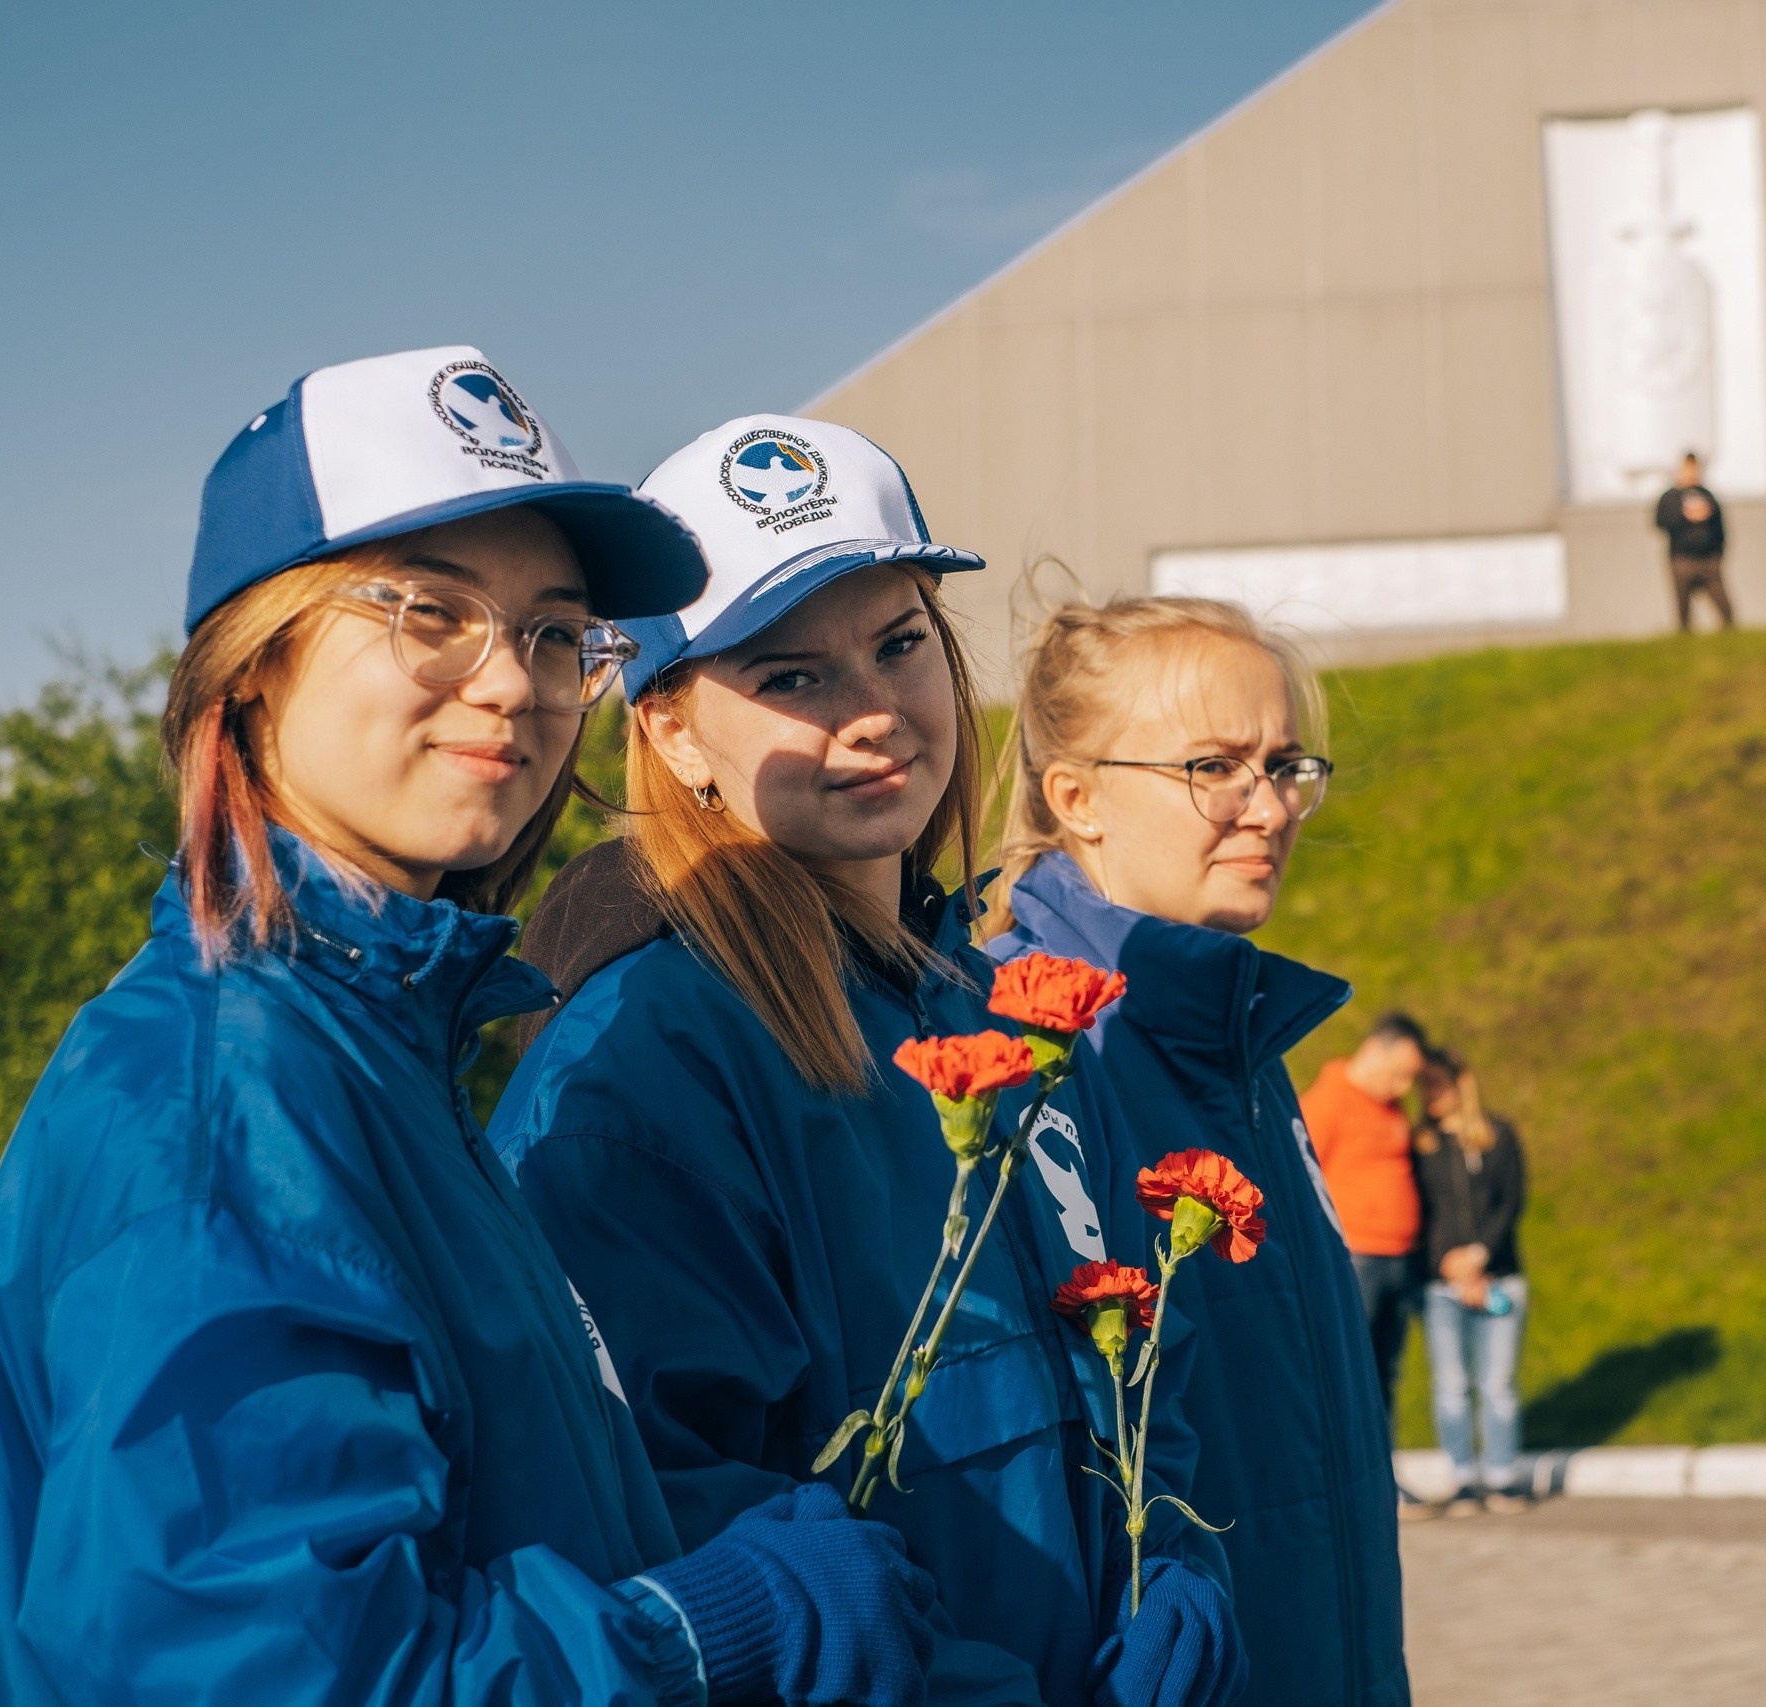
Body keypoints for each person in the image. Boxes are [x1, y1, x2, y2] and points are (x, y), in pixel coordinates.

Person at [0, 347, 940, 1706]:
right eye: (432, 612)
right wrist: (709, 1624)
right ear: (256, 663)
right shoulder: (219, 1100)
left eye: (552, 632)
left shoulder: (375, 1046)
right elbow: (265, 1679)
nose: (513, 683)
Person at [490, 417, 1243, 1707]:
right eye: (791, 678)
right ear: (671, 733)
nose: (876, 711)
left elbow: (1125, 1363)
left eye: (899, 644)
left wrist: (1175, 1559)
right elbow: (664, 1520)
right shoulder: (638, 1070)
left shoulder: (1012, 1012)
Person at [984, 595, 1411, 1707]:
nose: (1266, 807)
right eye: (1213, 766)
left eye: (1283, 764)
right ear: (1075, 797)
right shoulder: (1035, 1048)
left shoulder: (1234, 1037)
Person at [1410, 1048, 1530, 1516]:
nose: (1431, 1095)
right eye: (1425, 1087)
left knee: (1498, 1382)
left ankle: (1502, 1477)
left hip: (1500, 1277)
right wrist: (1447, 1265)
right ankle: (1463, 1477)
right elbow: (1418, 1215)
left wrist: (1479, 1257)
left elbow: (1511, 1201)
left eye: (1438, 1084)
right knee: (1452, 1384)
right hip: (1441, 1286)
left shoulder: (1498, 1136)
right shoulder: (1420, 1144)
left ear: (1463, 1083)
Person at [1299, 1013, 1431, 1413]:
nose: (1404, 1087)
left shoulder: (1389, 1107)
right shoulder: (1328, 1101)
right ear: (1374, 1050)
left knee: (1384, 1371)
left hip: (1399, 1256)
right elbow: (1301, 1176)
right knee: (1353, 1369)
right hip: (1356, 1256)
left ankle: (1384, 1470)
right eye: (1398, 1074)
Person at [1654, 451, 1735, 632]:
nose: (1692, 473)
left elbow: (1720, 527)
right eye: (1688, 468)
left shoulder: (1708, 495)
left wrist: (1719, 553)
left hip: (1709, 561)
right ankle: (1685, 645)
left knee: (1725, 609)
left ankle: (1731, 641)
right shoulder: (1670, 497)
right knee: (1683, 610)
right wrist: (1684, 515)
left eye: (1695, 468)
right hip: (1682, 561)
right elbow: (1660, 523)